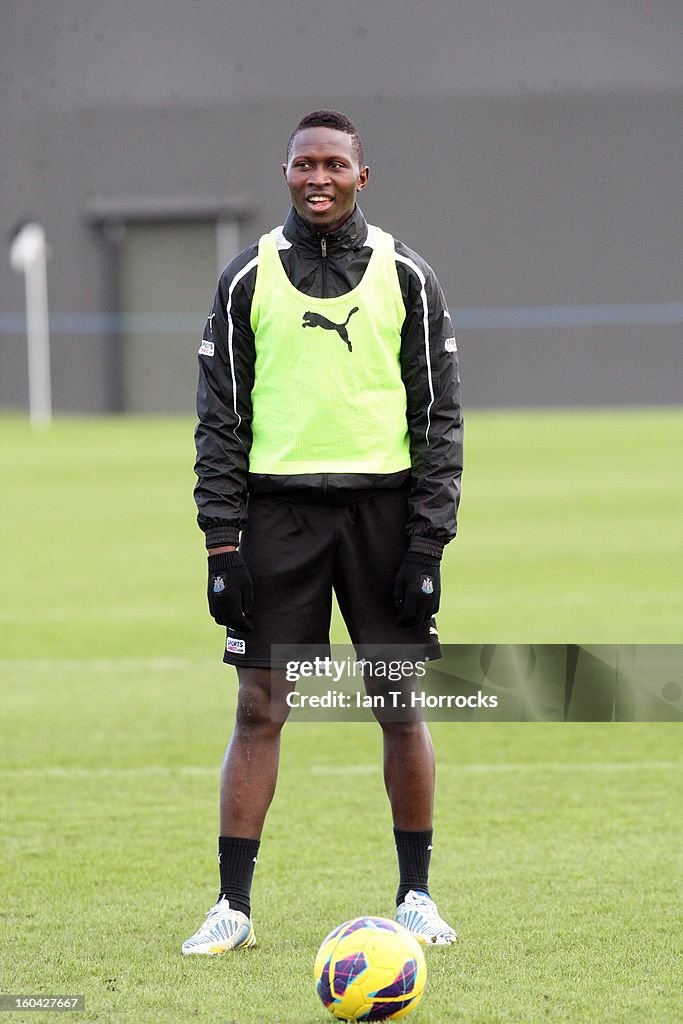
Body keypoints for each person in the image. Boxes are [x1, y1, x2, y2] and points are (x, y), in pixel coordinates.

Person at [183, 110, 463, 955]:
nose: (319, 177)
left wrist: (427, 543)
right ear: (286, 172)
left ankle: (415, 895)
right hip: (278, 517)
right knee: (260, 707)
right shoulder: (246, 279)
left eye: (334, 164)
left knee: (396, 706)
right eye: (305, 163)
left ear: (360, 177)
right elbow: (218, 422)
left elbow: (437, 416)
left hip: (384, 518)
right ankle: (232, 907)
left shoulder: (406, 275)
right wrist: (222, 545)